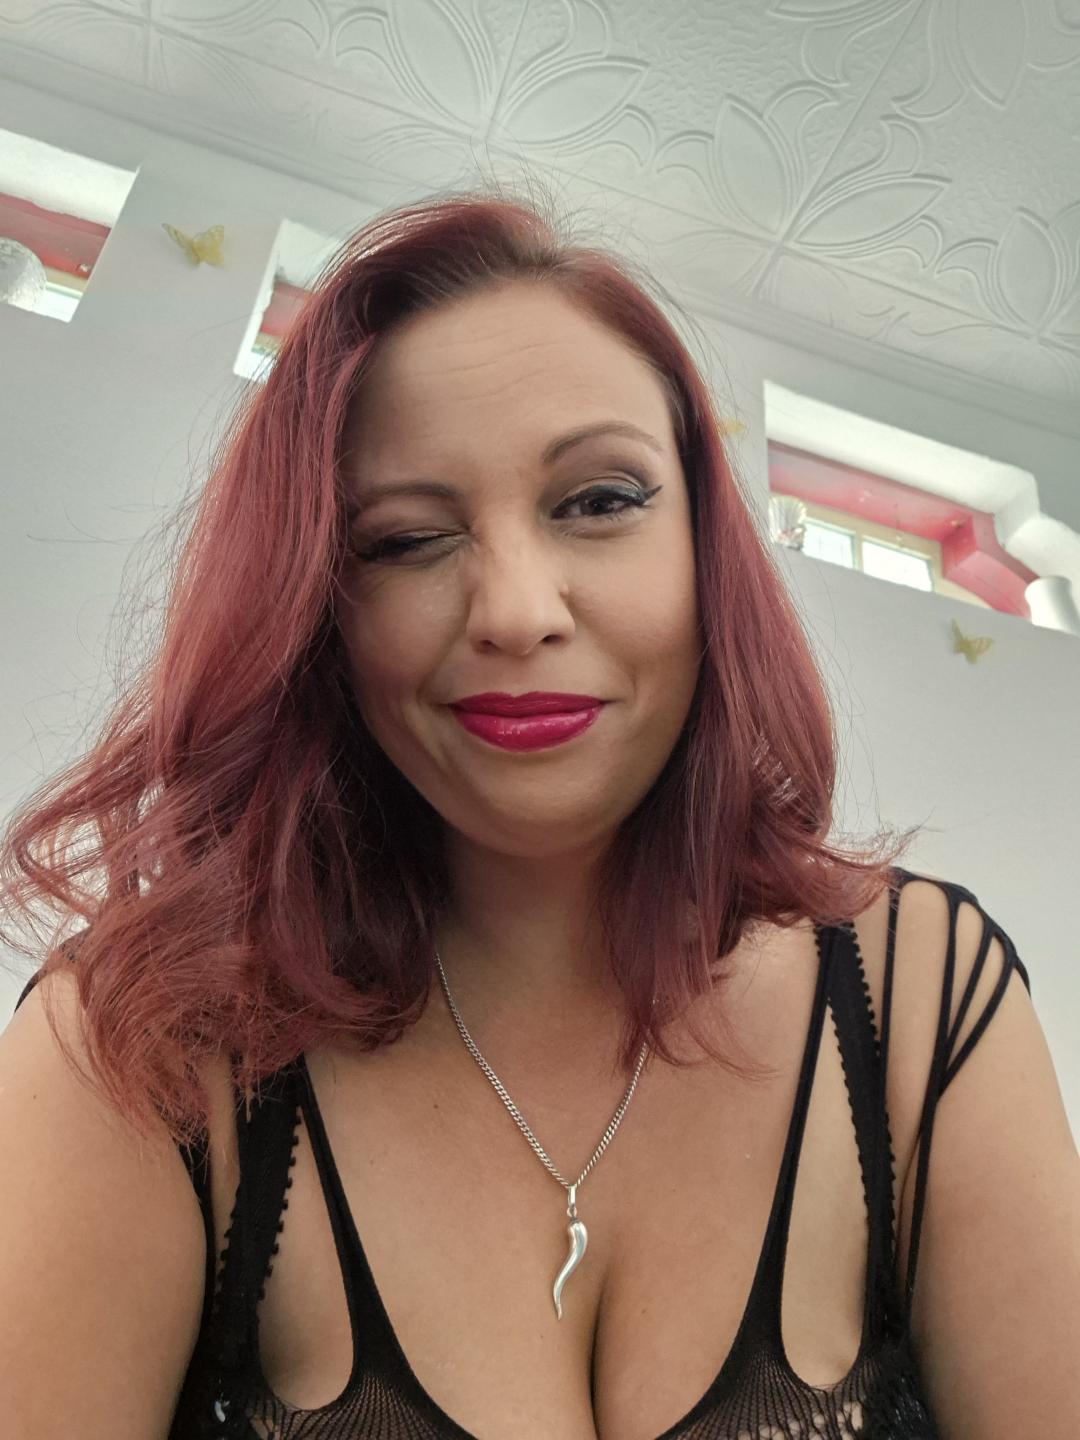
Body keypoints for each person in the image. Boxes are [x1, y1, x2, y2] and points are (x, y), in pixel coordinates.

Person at [1, 187, 1077, 1440]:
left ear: (707, 549)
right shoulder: (142, 1049)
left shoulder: (924, 1001)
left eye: (599, 501)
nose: (516, 613)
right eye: (405, 539)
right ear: (316, 609)